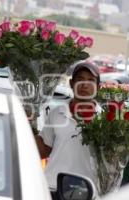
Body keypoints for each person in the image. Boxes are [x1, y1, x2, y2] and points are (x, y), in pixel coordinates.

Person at [35, 61, 100, 198]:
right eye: (80, 79)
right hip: (52, 186)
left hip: (87, 191)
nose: (84, 84)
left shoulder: (105, 120)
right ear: (71, 84)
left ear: (98, 87)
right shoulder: (56, 113)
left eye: (91, 80)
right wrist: (28, 124)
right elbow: (43, 150)